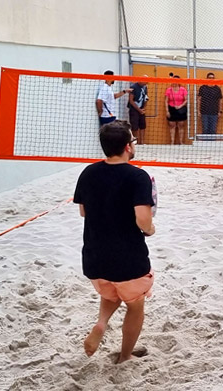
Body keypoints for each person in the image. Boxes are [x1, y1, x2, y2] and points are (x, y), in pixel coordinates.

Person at [74, 120, 156, 363]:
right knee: (135, 304)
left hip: (94, 258)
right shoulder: (138, 177)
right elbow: (143, 219)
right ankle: (125, 356)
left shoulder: (88, 172)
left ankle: (100, 324)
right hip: (128, 259)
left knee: (110, 292)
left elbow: (83, 212)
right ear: (128, 147)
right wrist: (150, 229)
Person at [198, 72, 223, 140]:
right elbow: (199, 99)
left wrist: (220, 111)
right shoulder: (202, 88)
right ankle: (205, 145)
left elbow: (220, 100)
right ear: (207, 79)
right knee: (205, 129)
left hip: (214, 112)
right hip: (204, 112)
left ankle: (212, 145)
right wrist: (198, 111)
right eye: (210, 78)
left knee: (213, 130)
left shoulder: (217, 89)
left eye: (212, 78)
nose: (211, 79)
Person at [165, 75, 188, 144]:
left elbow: (186, 100)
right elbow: (166, 101)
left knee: (181, 125)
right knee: (172, 125)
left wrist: (180, 106)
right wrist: (167, 111)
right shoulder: (169, 90)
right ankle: (172, 142)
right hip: (171, 108)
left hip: (181, 109)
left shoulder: (183, 89)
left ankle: (181, 142)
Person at [128, 76, 149, 144]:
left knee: (143, 125)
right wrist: (138, 109)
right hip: (134, 109)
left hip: (141, 108)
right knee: (134, 126)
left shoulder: (145, 87)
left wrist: (143, 108)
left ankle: (142, 142)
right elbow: (131, 100)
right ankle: (135, 142)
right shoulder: (134, 87)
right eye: (145, 81)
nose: (146, 83)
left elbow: (146, 97)